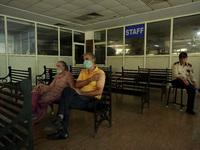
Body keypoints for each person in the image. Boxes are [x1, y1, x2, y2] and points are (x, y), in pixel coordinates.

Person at [44, 52, 105, 140]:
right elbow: (76, 85)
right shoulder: (83, 71)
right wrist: (90, 79)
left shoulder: (100, 73)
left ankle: (61, 127)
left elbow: (99, 92)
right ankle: (60, 122)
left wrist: (82, 93)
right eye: (83, 60)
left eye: (86, 59)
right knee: (67, 90)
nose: (84, 61)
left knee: (65, 101)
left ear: (93, 60)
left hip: (91, 100)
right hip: (80, 97)